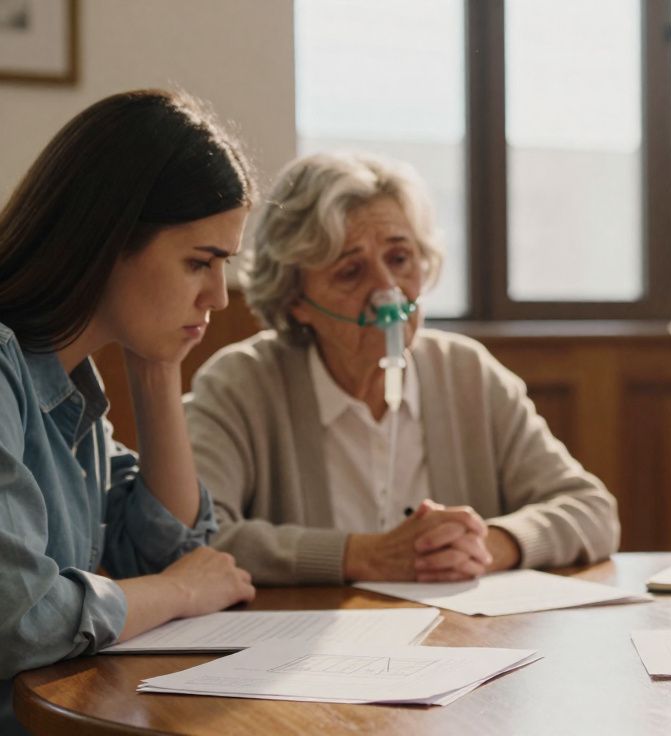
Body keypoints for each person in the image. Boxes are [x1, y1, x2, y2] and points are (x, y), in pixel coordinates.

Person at [184, 151, 621, 586]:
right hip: (303, 649)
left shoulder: (466, 374)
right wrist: (357, 556)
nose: (388, 293)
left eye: (399, 259)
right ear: (296, 300)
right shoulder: (240, 386)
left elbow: (592, 510)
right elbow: (198, 538)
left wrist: (489, 545)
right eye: (351, 271)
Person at [0, 90, 257, 733]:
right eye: (200, 263)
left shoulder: (68, 387)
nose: (221, 297)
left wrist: (158, 368)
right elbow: (18, 620)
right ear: (108, 239)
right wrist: (180, 592)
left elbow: (162, 551)